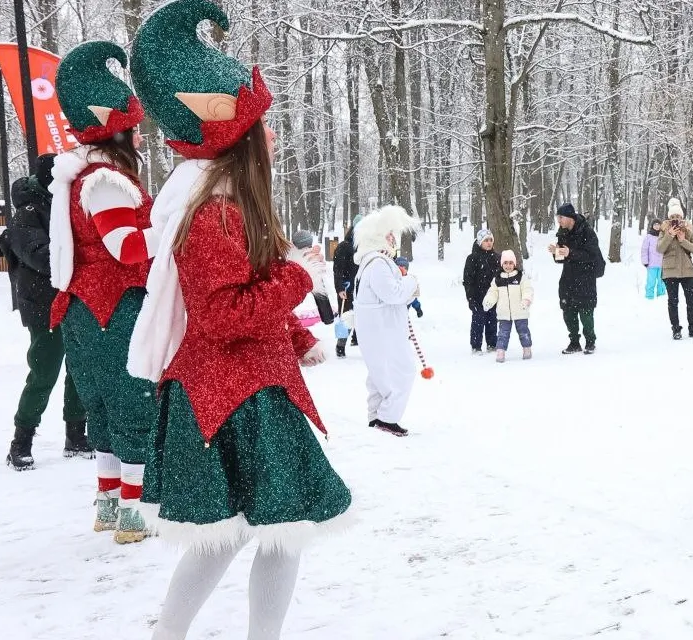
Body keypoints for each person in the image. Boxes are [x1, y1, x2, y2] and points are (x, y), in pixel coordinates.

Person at [126, 2, 352, 636]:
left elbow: (244, 294)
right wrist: (298, 278)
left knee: (270, 534)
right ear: (235, 136)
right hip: (229, 396)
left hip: (248, 388)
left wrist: (297, 331)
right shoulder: (212, 216)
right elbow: (225, 316)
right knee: (236, 538)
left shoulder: (233, 208)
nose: (272, 137)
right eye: (262, 126)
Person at [49, 41, 160, 543]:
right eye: (134, 127)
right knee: (132, 403)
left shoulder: (81, 178)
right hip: (114, 311)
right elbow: (129, 249)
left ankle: (109, 506)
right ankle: (133, 517)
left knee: (104, 409)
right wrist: (179, 230)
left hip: (84, 311)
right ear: (115, 129)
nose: (140, 136)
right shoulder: (107, 182)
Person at [0, 154, 91, 470]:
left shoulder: (65, 202)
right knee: (44, 371)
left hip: (72, 297)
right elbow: (38, 254)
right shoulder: (28, 211)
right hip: (43, 304)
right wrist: (81, 258)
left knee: (79, 369)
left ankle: (76, 435)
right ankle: (20, 441)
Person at [351, 206, 422, 436]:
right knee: (402, 371)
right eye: (389, 234)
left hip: (378, 331)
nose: (393, 238)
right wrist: (411, 282)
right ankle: (387, 418)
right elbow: (393, 293)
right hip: (384, 332)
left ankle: (376, 416)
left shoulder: (368, 264)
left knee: (379, 375)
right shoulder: (378, 264)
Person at [549, 203, 604, 354]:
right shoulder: (562, 233)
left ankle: (590, 341)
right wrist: (556, 253)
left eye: (561, 217)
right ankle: (574, 342)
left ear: (569, 218)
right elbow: (561, 259)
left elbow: (592, 256)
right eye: (558, 218)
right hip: (568, 278)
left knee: (586, 313)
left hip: (586, 278)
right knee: (568, 312)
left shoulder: (587, 232)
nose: (558, 221)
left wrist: (570, 253)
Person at [657, 197, 693, 340]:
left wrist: (683, 240)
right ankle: (676, 329)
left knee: (692, 300)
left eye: (678, 216)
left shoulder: (688, 229)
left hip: (688, 270)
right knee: (673, 301)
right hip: (670, 271)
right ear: (669, 218)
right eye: (672, 217)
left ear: (682, 217)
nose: (675, 219)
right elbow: (659, 248)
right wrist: (669, 235)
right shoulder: (664, 229)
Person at [483, 250, 534, 363]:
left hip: (520, 311)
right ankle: (500, 351)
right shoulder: (497, 279)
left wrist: (526, 299)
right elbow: (493, 292)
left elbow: (527, 289)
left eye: (511, 263)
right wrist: (489, 301)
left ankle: (527, 348)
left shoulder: (521, 277)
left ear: (514, 264)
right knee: (503, 333)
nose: (508, 265)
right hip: (504, 313)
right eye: (505, 263)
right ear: (502, 264)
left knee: (523, 331)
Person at [463, 229, 500, 354]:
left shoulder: (496, 257)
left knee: (492, 321)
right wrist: (470, 298)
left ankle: (492, 344)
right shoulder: (472, 258)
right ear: (480, 242)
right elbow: (468, 280)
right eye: (486, 240)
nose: (489, 243)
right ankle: (476, 346)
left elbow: (500, 277)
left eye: (490, 240)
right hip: (478, 296)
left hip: (493, 296)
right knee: (478, 322)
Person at [332, 215, 361, 358]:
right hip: (347, 289)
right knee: (347, 316)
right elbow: (337, 269)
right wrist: (340, 288)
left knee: (363, 316)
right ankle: (340, 346)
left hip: (362, 288)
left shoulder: (365, 247)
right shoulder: (344, 246)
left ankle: (358, 339)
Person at [641, 220, 667, 299]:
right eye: (655, 224)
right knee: (651, 281)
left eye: (658, 224)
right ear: (652, 226)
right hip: (651, 264)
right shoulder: (649, 237)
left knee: (661, 281)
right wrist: (645, 261)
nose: (657, 226)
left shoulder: (663, 236)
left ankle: (661, 296)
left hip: (662, 264)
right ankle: (649, 297)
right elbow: (644, 249)